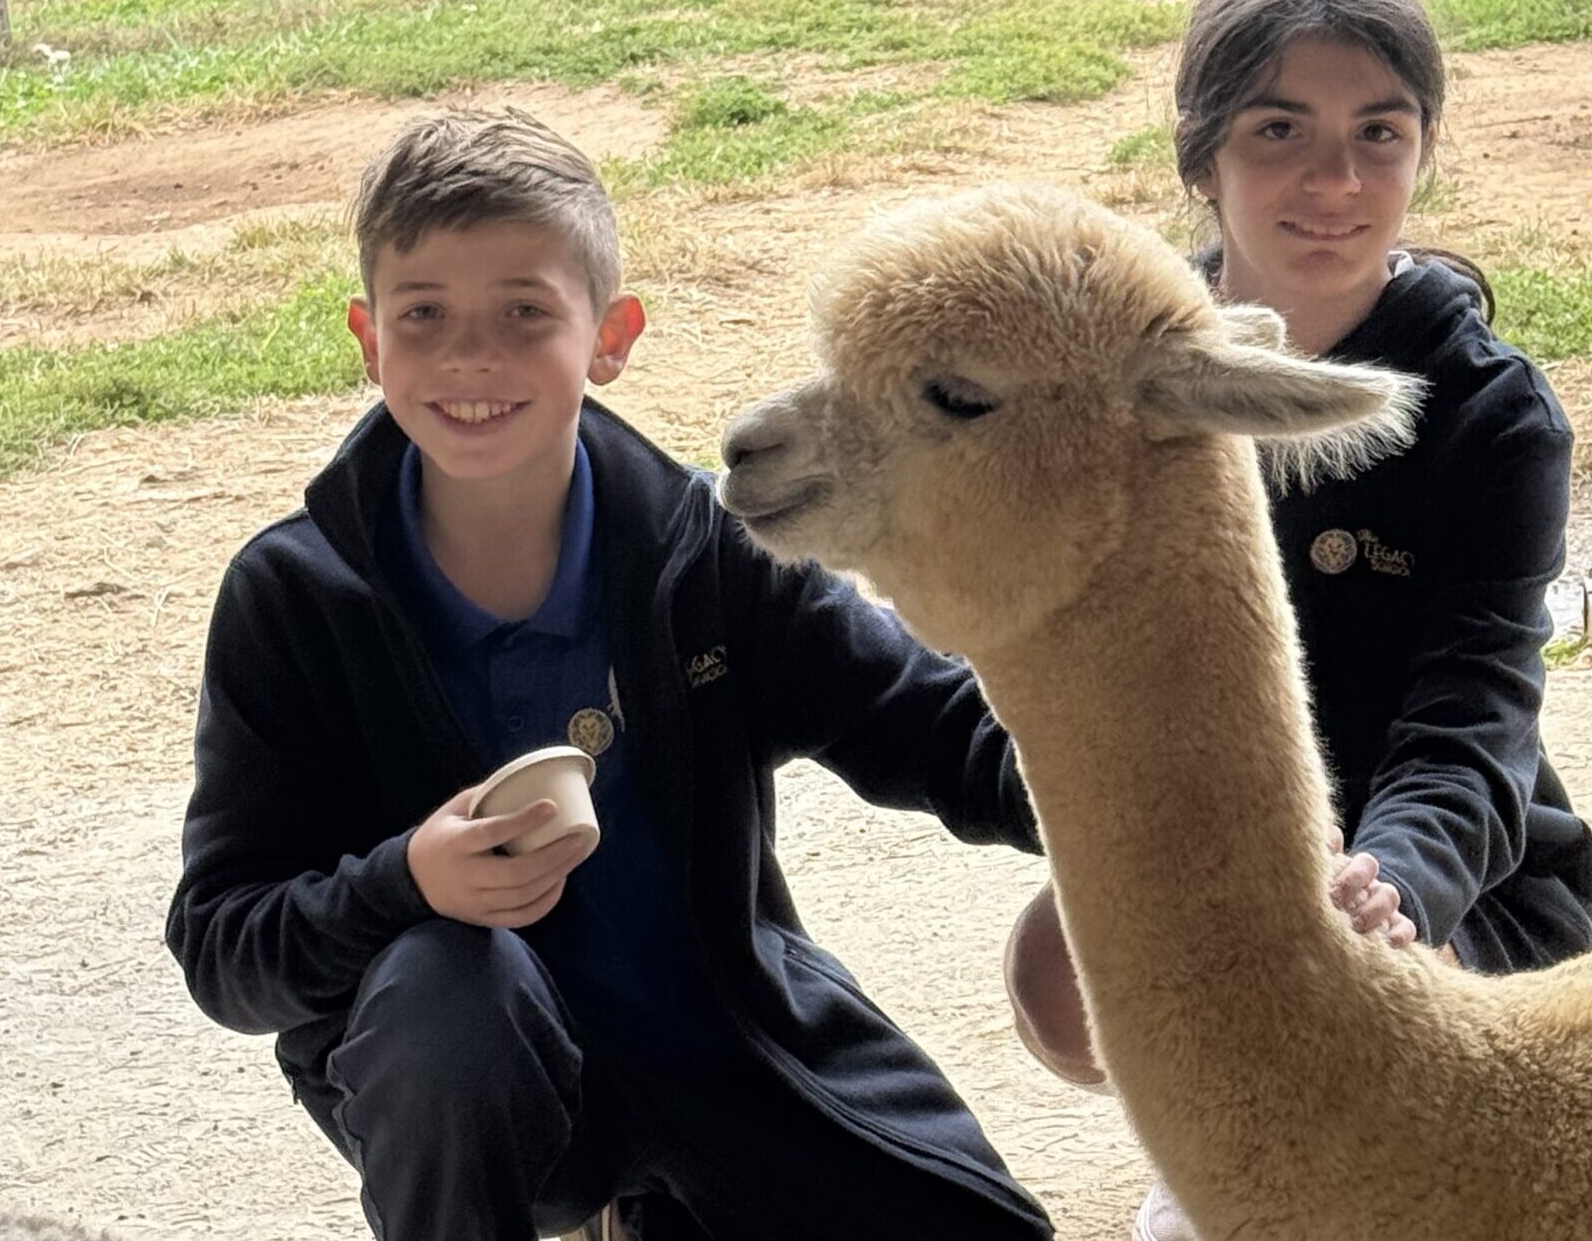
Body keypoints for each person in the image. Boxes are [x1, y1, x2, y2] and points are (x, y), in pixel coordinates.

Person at [165, 109, 1057, 1241]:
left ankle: (656, 1212)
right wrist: (406, 885)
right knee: (451, 991)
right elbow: (222, 943)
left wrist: (1178, 812)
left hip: (721, 1034)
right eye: (423, 315)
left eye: (524, 312)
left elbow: (938, 731)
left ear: (611, 336)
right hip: (469, 1091)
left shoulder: (710, 543)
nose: (471, 356)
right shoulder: (291, 598)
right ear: (367, 338)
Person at [1001, 0, 1592, 1241]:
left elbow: (1475, 713)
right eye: (1282, 130)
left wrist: (1396, 880)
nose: (1335, 182)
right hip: (1220, 854)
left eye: (1377, 134)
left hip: (1445, 882)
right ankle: (1236, 1131)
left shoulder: (1493, 416)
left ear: (1423, 152)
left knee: (1367, 1003)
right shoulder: (1119, 379)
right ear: (1203, 154)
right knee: (1057, 981)